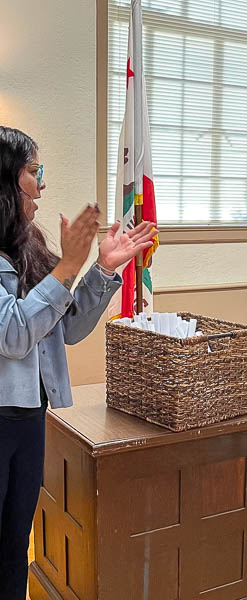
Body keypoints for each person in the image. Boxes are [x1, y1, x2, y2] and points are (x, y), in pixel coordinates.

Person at [0, 126, 157, 600]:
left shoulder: (28, 243)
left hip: (33, 418)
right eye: (33, 171)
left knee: (14, 544)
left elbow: (64, 328)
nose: (42, 184)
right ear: (7, 179)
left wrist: (102, 269)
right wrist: (67, 268)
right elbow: (13, 335)